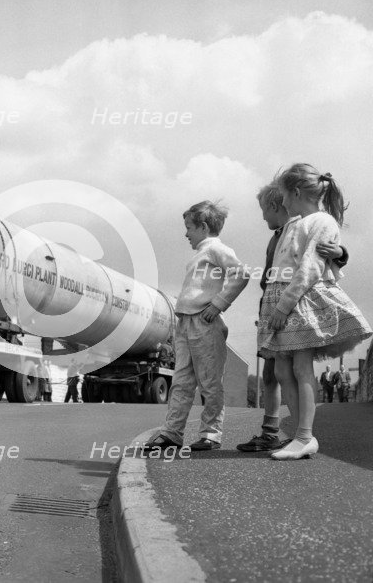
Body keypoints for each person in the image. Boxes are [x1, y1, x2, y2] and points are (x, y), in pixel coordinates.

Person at [257, 164, 372, 460]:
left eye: (283, 195)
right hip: (283, 297)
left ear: (295, 193)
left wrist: (283, 306)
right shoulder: (295, 223)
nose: (281, 202)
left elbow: (311, 267)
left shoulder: (321, 221)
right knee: (282, 369)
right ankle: (299, 435)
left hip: (299, 300)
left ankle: (305, 437)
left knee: (300, 367)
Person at [237, 183, 348, 452]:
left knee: (290, 370)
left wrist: (342, 254)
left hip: (292, 302)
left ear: (281, 204)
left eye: (265, 210)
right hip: (275, 304)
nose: (262, 216)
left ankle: (293, 433)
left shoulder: (305, 224)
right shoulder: (281, 232)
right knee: (275, 372)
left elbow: (316, 259)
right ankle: (287, 433)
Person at [146, 201, 249, 451]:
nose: (186, 233)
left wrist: (218, 304)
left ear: (203, 227)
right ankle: (172, 432)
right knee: (181, 380)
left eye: (189, 227)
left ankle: (211, 434)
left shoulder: (216, 249)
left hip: (205, 322)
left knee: (210, 382)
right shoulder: (200, 254)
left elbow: (241, 273)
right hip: (186, 322)